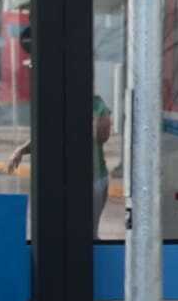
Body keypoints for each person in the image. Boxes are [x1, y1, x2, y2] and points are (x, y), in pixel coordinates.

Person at [7, 94, 113, 232]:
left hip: (94, 179)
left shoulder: (97, 104)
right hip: (68, 180)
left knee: (88, 233)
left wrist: (100, 122)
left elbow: (102, 136)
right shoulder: (59, 102)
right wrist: (20, 150)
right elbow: (45, 134)